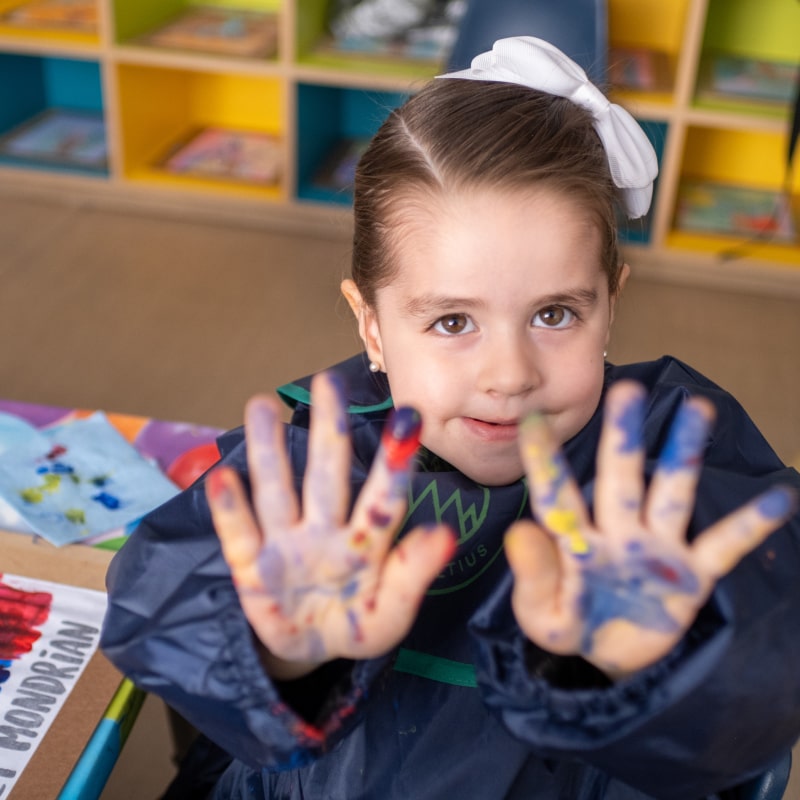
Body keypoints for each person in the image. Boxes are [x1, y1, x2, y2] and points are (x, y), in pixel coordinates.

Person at [101, 37, 800, 800]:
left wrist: (650, 663)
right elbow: (162, 597)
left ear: (611, 305)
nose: (509, 376)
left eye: (556, 314)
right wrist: (279, 655)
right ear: (370, 326)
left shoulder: (673, 451)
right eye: (452, 323)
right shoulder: (317, 453)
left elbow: (769, 642)